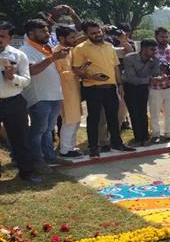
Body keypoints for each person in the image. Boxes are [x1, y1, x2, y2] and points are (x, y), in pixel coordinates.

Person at [72, 21, 135, 157]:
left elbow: (115, 67)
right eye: (93, 33)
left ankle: (117, 144)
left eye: (99, 31)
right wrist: (91, 76)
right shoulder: (80, 48)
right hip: (92, 88)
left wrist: (120, 85)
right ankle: (94, 147)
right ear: (86, 34)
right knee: (94, 118)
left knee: (113, 117)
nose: (97, 35)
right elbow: (76, 69)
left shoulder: (109, 46)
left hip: (111, 87)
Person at [20, 19, 68, 170]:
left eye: (47, 30)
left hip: (54, 95)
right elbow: (32, 71)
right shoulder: (25, 50)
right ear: (31, 33)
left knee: (48, 129)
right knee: (38, 130)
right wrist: (53, 58)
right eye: (42, 31)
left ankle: (50, 156)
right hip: (39, 97)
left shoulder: (47, 49)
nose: (47, 33)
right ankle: (37, 159)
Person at [0, 22, 41, 183]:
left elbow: (26, 80)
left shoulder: (18, 55)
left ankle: (27, 172)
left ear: (9, 38)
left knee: (20, 138)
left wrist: (13, 77)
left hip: (13, 102)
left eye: (2, 36)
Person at [122, 39, 161, 147]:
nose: (154, 52)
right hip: (129, 87)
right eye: (152, 49)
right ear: (143, 49)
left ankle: (145, 137)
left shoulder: (155, 60)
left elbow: (156, 74)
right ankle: (138, 138)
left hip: (143, 88)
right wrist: (150, 79)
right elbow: (132, 78)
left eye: (155, 50)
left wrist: (159, 78)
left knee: (143, 112)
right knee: (134, 113)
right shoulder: (129, 58)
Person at [54, 26, 83, 158]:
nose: (74, 39)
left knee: (76, 119)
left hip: (74, 89)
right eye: (72, 37)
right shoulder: (58, 52)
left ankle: (71, 147)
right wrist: (77, 72)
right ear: (61, 38)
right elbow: (62, 73)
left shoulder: (70, 50)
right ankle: (65, 150)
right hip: (65, 91)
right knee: (69, 120)